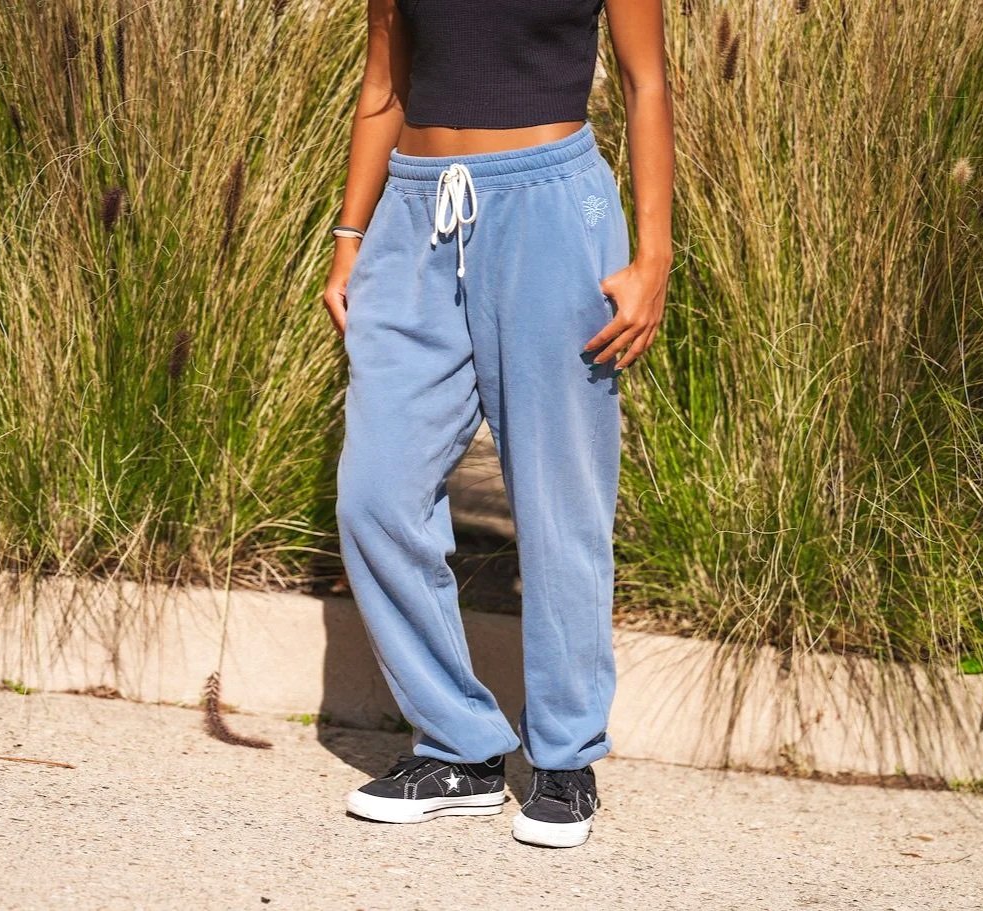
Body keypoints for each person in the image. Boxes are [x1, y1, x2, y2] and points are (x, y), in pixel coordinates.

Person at [324, 0, 673, 848]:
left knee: (561, 503)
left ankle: (565, 757)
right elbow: (383, 88)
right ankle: (460, 749)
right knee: (375, 493)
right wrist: (349, 241)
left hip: (553, 207)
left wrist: (653, 255)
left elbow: (646, 81)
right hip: (413, 217)